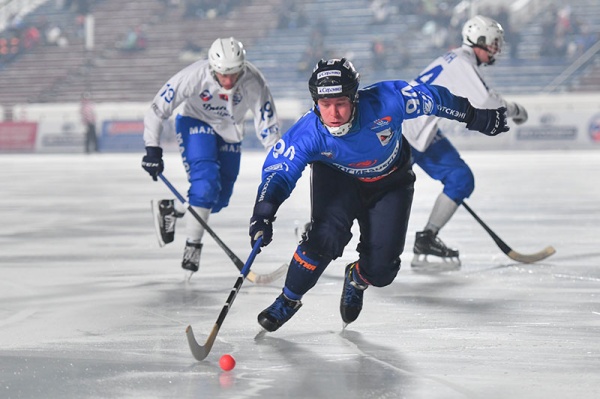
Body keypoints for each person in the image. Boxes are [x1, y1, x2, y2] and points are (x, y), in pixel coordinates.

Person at [248, 58, 509, 332]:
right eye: (325, 105)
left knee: (382, 271)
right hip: (338, 180)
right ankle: (288, 299)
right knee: (324, 238)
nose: (333, 113)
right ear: (315, 102)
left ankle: (358, 277)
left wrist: (476, 116)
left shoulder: (388, 100)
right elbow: (279, 173)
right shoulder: (307, 132)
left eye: (341, 104)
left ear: (355, 98)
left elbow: (434, 97)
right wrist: (263, 214)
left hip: (391, 181)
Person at [141, 37, 280, 273]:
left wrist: (279, 160)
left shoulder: (253, 80)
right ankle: (192, 247)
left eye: (234, 74)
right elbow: (158, 107)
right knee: (205, 185)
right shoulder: (194, 75)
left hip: (230, 130)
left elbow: (267, 124)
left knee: (219, 199)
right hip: (195, 121)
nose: (228, 81)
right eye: (223, 75)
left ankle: (172, 208)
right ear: (212, 68)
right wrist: (152, 148)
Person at [402, 15, 529, 270]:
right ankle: (324, 228)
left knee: (460, 178)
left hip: (419, 131)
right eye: (494, 43)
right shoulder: (461, 61)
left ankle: (427, 239)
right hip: (402, 134)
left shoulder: (457, 59)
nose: (497, 49)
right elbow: (486, 102)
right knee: (371, 190)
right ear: (479, 40)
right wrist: (516, 110)